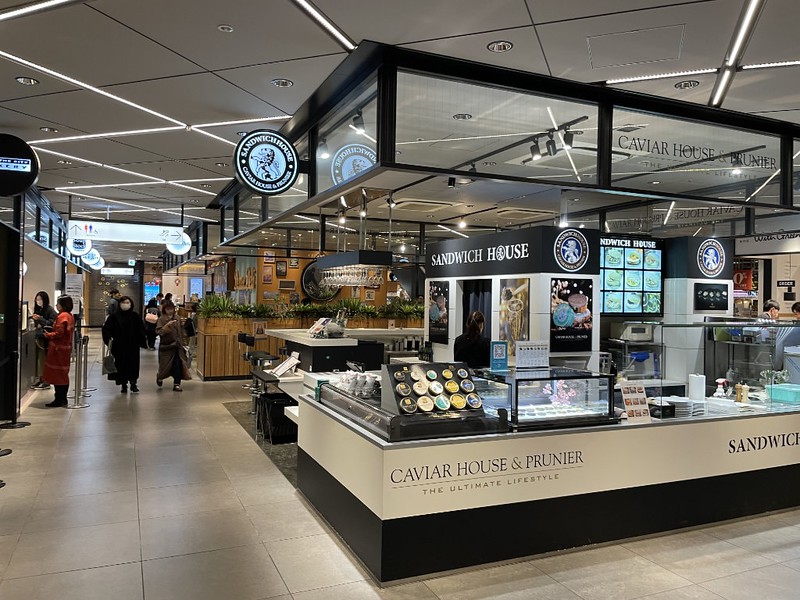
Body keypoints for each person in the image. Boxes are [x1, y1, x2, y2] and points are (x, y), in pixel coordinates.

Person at [102, 295, 147, 393]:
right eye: (123, 303)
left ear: (131, 304)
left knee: (133, 365)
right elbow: (106, 329)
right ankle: (123, 384)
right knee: (121, 365)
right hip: (119, 346)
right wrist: (109, 340)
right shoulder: (114, 316)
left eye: (127, 302)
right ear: (120, 304)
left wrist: (142, 341)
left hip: (133, 346)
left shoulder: (135, 316)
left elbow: (141, 330)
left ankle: (133, 383)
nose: (125, 305)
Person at [42, 295, 75, 407]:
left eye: (58, 303)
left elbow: (59, 333)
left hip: (58, 349)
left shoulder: (62, 316)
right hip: (64, 349)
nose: (56, 305)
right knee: (63, 374)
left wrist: (48, 335)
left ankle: (59, 399)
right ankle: (62, 398)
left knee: (58, 375)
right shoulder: (69, 316)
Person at [156, 300, 191, 392]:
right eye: (168, 309)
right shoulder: (161, 319)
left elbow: (182, 331)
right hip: (166, 347)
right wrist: (166, 327)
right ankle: (160, 377)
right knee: (165, 366)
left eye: (171, 308)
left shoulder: (177, 318)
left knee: (178, 365)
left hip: (177, 346)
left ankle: (176, 384)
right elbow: (159, 332)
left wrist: (184, 344)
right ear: (164, 310)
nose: (170, 311)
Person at [30, 290, 58, 389]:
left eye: (40, 299)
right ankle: (41, 378)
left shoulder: (50, 310)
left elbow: (51, 323)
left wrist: (40, 319)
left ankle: (46, 380)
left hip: (46, 338)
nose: (38, 301)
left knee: (44, 360)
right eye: (37, 299)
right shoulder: (37, 310)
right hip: (39, 337)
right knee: (39, 360)